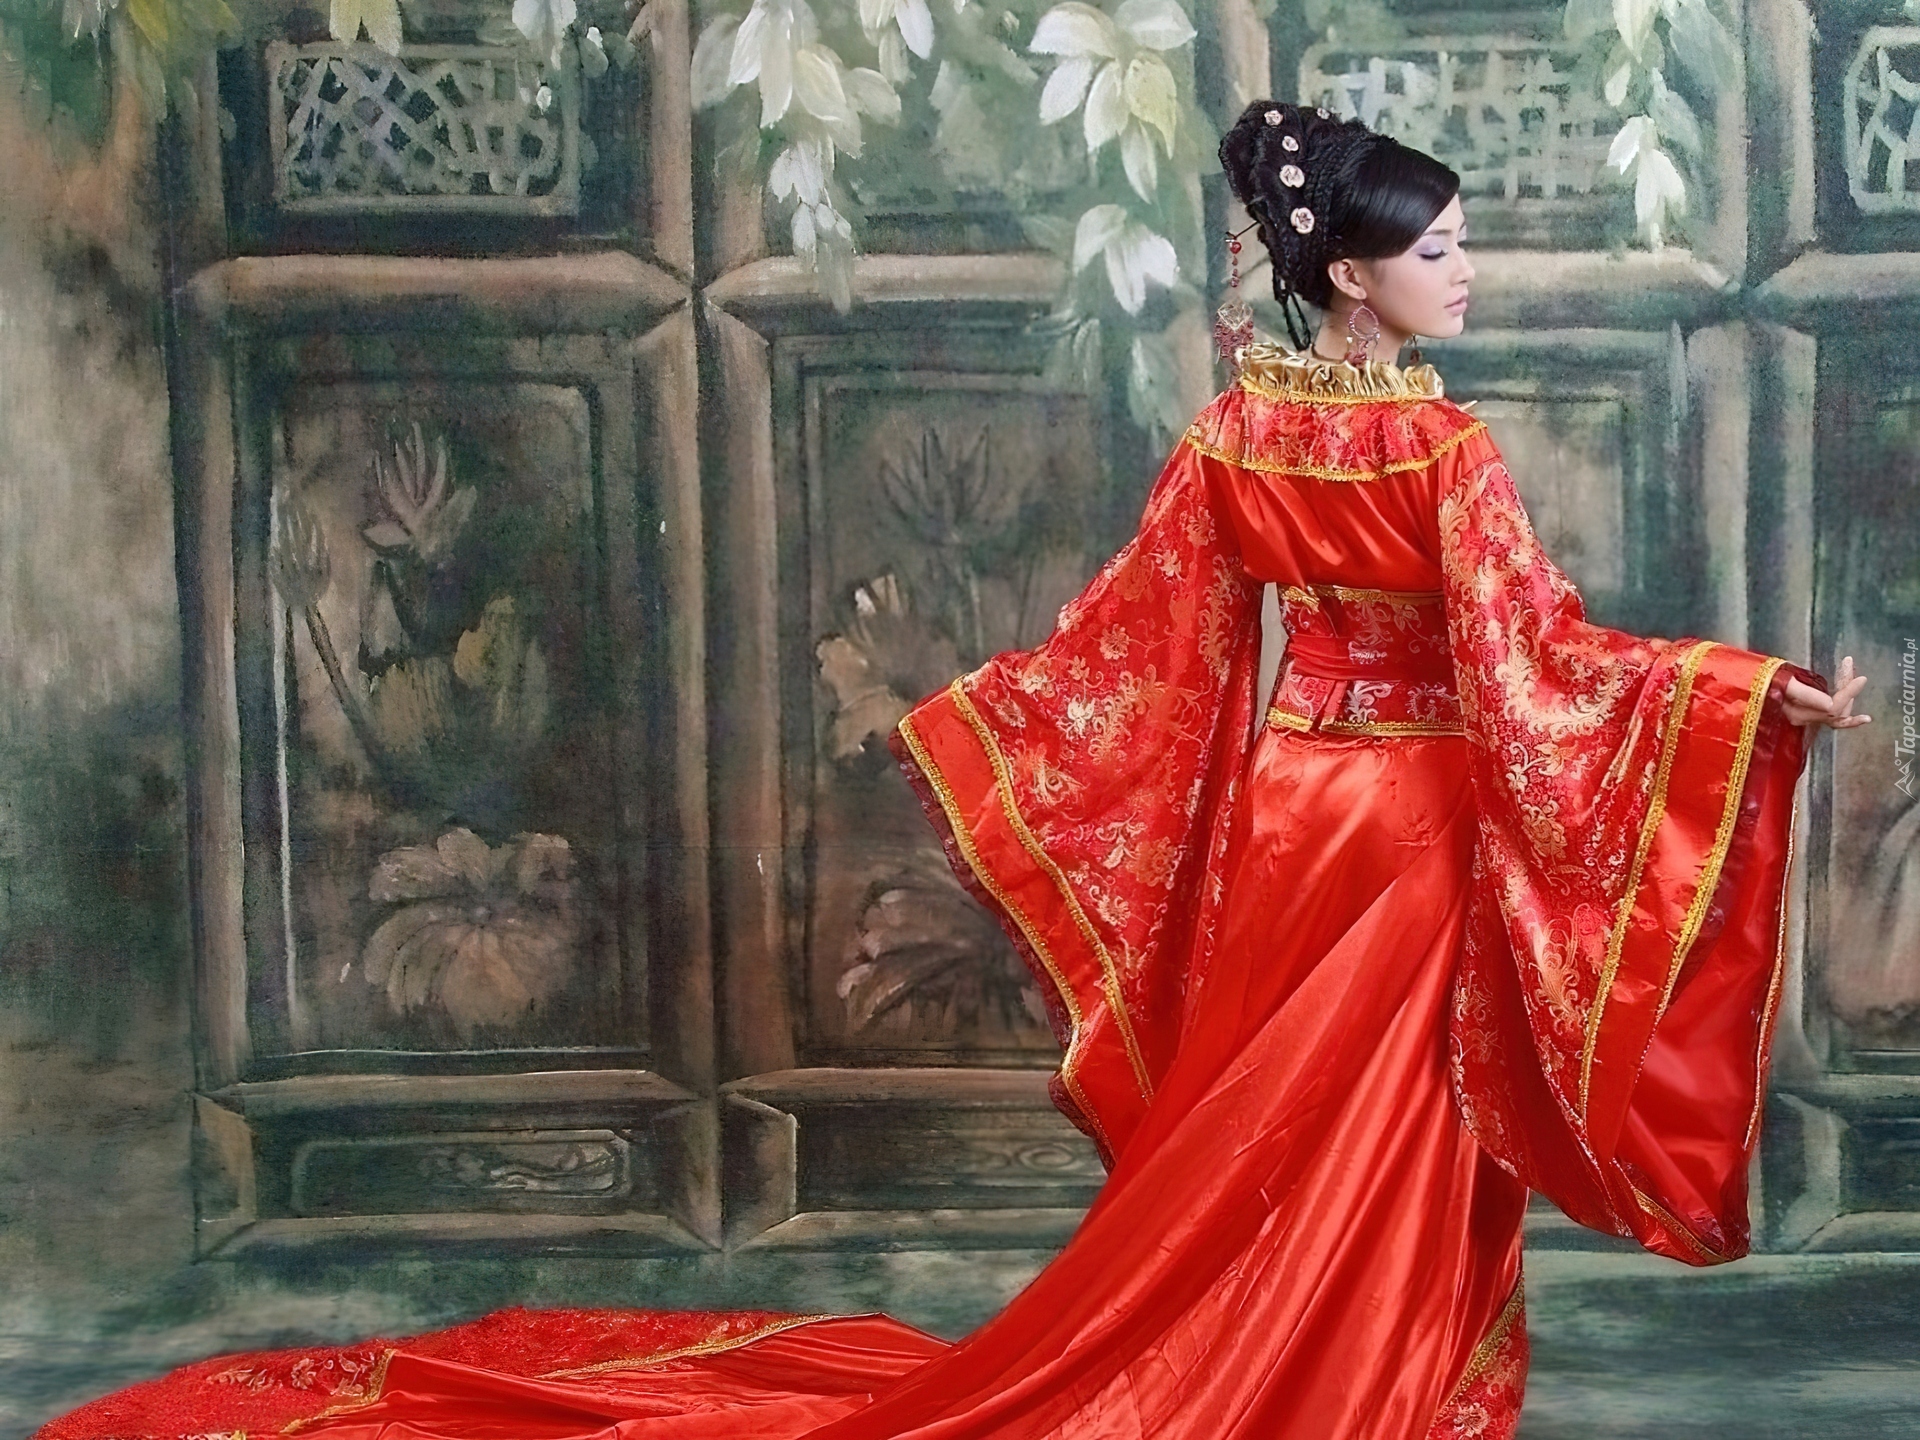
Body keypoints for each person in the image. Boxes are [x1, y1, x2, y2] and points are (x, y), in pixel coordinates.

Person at [37, 101, 1871, 1440]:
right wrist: (1739, 694)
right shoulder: (1440, 458)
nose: (1469, 276)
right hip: (1412, 820)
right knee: (1385, 1128)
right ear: (1352, 274)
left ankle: (1260, 1362)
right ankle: (1336, 1386)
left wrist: (1001, 728)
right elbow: (1536, 661)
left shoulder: (1240, 434)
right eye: (1443, 250)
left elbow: (1142, 640)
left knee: (1273, 1123)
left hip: (1287, 811)